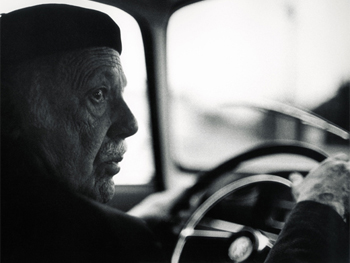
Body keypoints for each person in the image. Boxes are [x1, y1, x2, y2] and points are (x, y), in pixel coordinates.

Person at [1, 4, 349, 263]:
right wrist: (320, 207)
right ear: (13, 116)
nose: (131, 124)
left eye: (120, 93)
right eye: (97, 95)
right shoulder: (113, 242)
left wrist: (139, 218)